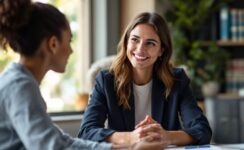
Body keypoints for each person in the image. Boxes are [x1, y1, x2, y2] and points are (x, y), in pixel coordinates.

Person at [0, 0, 166, 149]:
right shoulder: (19, 86)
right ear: (53, 44)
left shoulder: (20, 81)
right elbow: (50, 147)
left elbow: (63, 142)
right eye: (70, 40)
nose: (71, 50)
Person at [78, 12, 212, 147]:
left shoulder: (177, 80)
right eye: (135, 39)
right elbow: (87, 132)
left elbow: (202, 130)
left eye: (151, 43)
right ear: (126, 42)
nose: (140, 49)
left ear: (161, 50)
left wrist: (166, 136)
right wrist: (130, 138)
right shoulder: (106, 81)